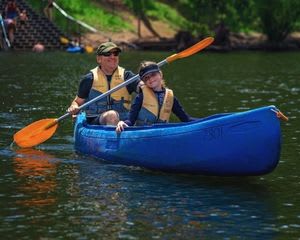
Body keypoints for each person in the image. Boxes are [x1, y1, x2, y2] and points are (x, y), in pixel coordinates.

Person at [67, 41, 141, 125]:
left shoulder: (127, 76)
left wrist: (147, 83)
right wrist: (74, 107)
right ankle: (114, 135)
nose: (113, 56)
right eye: (108, 54)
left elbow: (141, 86)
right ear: (99, 59)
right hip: (96, 121)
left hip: (124, 122)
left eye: (115, 53)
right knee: (111, 115)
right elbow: (77, 102)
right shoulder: (89, 79)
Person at [116, 61, 196, 132]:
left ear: (160, 74)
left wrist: (206, 121)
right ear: (144, 82)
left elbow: (186, 119)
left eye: (153, 75)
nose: (150, 79)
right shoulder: (141, 97)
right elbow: (130, 120)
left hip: (161, 134)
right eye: (146, 78)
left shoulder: (170, 97)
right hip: (143, 134)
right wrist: (123, 123)